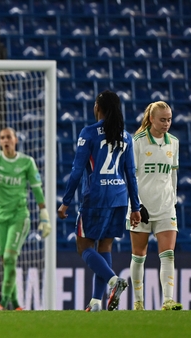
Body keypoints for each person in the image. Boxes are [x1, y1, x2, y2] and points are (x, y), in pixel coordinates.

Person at [58, 90, 142, 312]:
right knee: (105, 245)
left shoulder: (89, 133)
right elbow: (131, 174)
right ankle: (96, 302)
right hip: (119, 197)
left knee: (83, 246)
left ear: (97, 107)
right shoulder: (126, 136)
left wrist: (65, 202)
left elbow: (77, 171)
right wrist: (136, 207)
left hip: (96, 196)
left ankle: (114, 281)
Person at [0, 127, 51, 311]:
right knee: (6, 261)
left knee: (9, 258)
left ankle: (2, 303)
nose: (5, 140)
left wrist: (44, 214)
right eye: (2, 138)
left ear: (15, 139)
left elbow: (37, 188)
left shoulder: (26, 162)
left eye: (8, 137)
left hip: (19, 217)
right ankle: (16, 305)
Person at [128, 101, 182, 311]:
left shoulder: (174, 142)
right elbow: (130, 176)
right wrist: (135, 204)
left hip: (166, 206)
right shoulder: (138, 142)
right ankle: (138, 302)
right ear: (151, 119)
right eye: (162, 119)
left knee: (168, 253)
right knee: (139, 254)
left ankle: (168, 300)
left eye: (169, 119)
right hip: (140, 208)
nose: (166, 123)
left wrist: (173, 200)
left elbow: (173, 174)